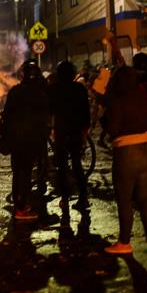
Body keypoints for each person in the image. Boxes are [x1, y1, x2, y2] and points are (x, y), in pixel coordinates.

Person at [102, 66, 147, 255]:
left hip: (128, 152)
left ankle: (125, 242)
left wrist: (105, 118)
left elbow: (112, 128)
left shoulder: (119, 100)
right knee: (144, 198)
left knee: (125, 199)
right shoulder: (142, 97)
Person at [3, 62, 50, 220]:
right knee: (26, 174)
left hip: (15, 140)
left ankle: (17, 205)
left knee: (17, 173)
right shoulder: (40, 95)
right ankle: (21, 210)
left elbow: (6, 115)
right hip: (31, 140)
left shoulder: (15, 92)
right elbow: (44, 120)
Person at [49, 60, 91, 213]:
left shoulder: (55, 89)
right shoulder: (79, 88)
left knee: (62, 166)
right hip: (76, 130)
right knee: (77, 164)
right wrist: (85, 129)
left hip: (61, 130)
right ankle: (83, 197)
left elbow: (50, 109)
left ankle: (65, 199)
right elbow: (86, 111)